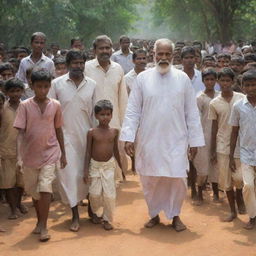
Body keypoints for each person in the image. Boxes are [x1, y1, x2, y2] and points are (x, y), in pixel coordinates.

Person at [120, 38, 205, 232]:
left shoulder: (182, 79)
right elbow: (133, 110)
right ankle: (154, 214)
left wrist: (195, 140)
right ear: (154, 55)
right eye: (160, 54)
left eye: (167, 54)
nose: (163, 58)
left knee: (177, 178)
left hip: (177, 139)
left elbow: (191, 112)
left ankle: (175, 215)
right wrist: (129, 136)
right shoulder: (142, 79)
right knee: (150, 179)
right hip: (150, 140)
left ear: (173, 56)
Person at [14, 69, 67, 242]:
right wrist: (20, 156)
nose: (43, 90)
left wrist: (63, 154)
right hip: (30, 156)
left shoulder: (56, 105)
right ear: (31, 86)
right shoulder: (24, 106)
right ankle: (39, 221)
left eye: (46, 87)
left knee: (45, 189)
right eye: (39, 87)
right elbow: (20, 132)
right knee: (34, 192)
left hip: (50, 153)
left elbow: (58, 129)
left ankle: (44, 226)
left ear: (50, 86)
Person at [49, 49, 96, 232]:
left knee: (89, 175)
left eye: (81, 63)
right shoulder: (57, 84)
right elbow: (51, 114)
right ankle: (75, 215)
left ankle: (92, 211)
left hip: (87, 137)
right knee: (69, 177)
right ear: (68, 65)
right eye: (75, 63)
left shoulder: (92, 84)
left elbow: (95, 114)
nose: (78, 66)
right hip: (65, 139)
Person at [85, 35, 128, 184]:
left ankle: (112, 184)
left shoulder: (118, 69)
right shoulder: (86, 68)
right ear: (94, 50)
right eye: (101, 48)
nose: (105, 51)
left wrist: (124, 124)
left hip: (114, 121)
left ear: (112, 49)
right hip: (92, 121)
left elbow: (123, 98)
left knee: (115, 156)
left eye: (107, 48)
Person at [209, 67, 245, 222]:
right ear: (218, 82)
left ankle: (242, 201)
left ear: (233, 81)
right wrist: (212, 149)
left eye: (228, 80)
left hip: (241, 146)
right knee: (226, 180)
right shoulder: (214, 103)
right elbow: (214, 127)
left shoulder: (242, 99)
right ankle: (232, 211)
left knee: (240, 178)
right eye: (222, 80)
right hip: (222, 146)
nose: (225, 83)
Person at [84, 100, 124, 231]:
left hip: (109, 167)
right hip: (94, 167)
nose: (105, 117)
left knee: (109, 195)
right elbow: (88, 152)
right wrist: (85, 171)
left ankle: (107, 219)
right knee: (94, 194)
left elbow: (116, 151)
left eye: (108, 114)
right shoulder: (92, 132)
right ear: (96, 116)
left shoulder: (114, 132)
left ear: (112, 115)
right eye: (102, 114)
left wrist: (121, 168)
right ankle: (97, 212)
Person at [229, 70, 256, 229]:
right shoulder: (238, 106)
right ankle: (252, 216)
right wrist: (232, 155)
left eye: (254, 84)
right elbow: (234, 132)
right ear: (242, 87)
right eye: (247, 85)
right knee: (248, 186)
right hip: (246, 153)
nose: (251, 88)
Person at [0, 79, 27, 219]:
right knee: (9, 182)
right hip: (7, 150)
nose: (15, 94)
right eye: (12, 91)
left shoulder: (26, 106)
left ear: (22, 91)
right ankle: (12, 209)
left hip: (24, 151)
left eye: (18, 90)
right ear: (6, 92)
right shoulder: (2, 109)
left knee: (21, 182)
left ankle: (18, 203)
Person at [193, 69, 220, 205]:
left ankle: (216, 193)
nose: (209, 82)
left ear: (216, 80)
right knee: (202, 167)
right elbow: (196, 119)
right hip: (203, 136)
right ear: (203, 81)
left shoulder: (220, 96)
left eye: (212, 79)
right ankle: (199, 194)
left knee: (215, 166)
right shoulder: (200, 98)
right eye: (207, 79)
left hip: (218, 136)